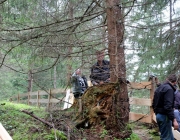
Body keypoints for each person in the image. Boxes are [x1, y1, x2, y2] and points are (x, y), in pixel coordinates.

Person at [152, 74, 179, 140]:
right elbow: (168, 107)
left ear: (167, 79)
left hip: (158, 115)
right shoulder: (169, 89)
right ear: (175, 82)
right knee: (167, 138)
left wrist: (156, 113)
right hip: (165, 116)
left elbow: (153, 103)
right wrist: (174, 120)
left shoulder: (159, 88)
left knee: (168, 137)